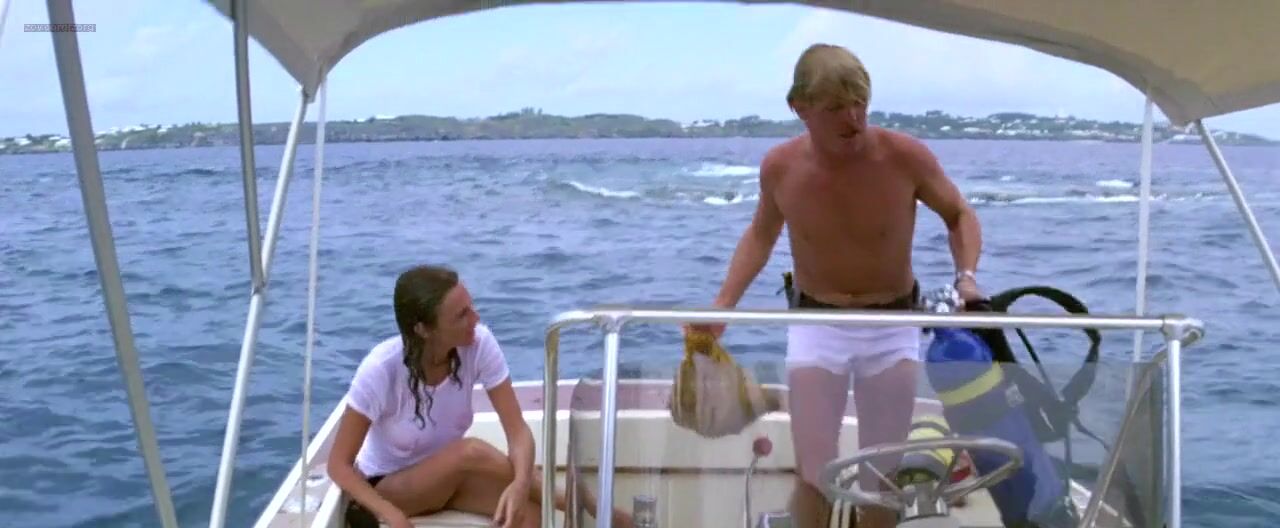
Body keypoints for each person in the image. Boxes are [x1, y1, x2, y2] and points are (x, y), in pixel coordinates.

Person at [689, 43, 984, 528]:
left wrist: (966, 278)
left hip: (892, 322)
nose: (853, 119)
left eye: (860, 104)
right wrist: (723, 305)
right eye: (836, 108)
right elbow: (761, 235)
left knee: (881, 475)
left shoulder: (904, 156)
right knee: (813, 473)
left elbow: (959, 214)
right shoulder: (780, 167)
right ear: (799, 107)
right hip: (817, 322)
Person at [327, 264, 633, 528]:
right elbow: (338, 464)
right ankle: (585, 502)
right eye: (461, 315)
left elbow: (518, 432)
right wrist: (390, 514)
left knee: (530, 517)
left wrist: (519, 485)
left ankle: (580, 503)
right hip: (391, 486)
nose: (475, 318)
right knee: (470, 451)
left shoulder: (478, 343)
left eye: (471, 307)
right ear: (423, 329)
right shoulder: (380, 369)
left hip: (451, 480)